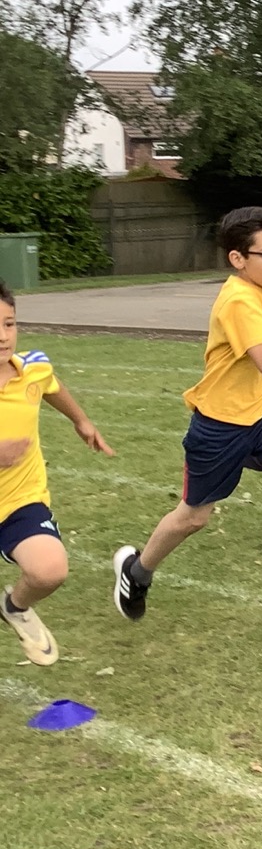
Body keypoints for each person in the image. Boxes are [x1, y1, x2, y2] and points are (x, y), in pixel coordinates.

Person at [113, 207, 262, 622]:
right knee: (193, 518)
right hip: (220, 423)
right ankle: (138, 571)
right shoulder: (239, 300)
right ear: (238, 259)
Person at [0, 280, 113, 665]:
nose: (3, 336)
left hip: (19, 500)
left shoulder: (32, 367)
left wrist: (81, 420)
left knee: (50, 571)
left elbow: (49, 385)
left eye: (9, 324)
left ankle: (14, 606)